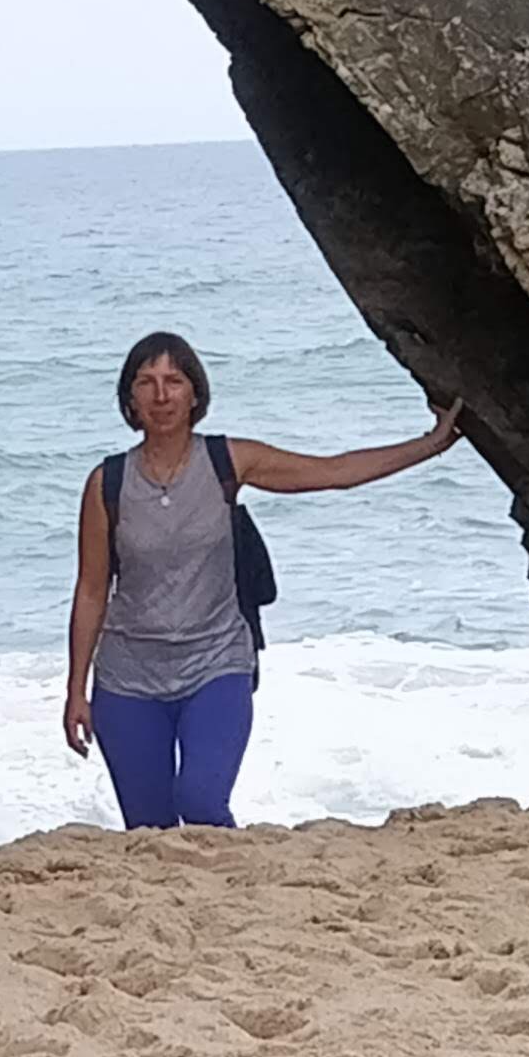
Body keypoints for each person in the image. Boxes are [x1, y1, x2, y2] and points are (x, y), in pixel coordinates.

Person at [63, 329, 465, 830]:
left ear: (195, 394)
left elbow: (332, 472)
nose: (161, 395)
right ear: (130, 398)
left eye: (174, 380)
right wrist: (76, 690)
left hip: (216, 663)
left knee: (203, 803)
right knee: (149, 832)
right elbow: (92, 590)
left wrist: (431, 445)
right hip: (128, 679)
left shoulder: (227, 461)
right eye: (147, 382)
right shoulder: (108, 483)